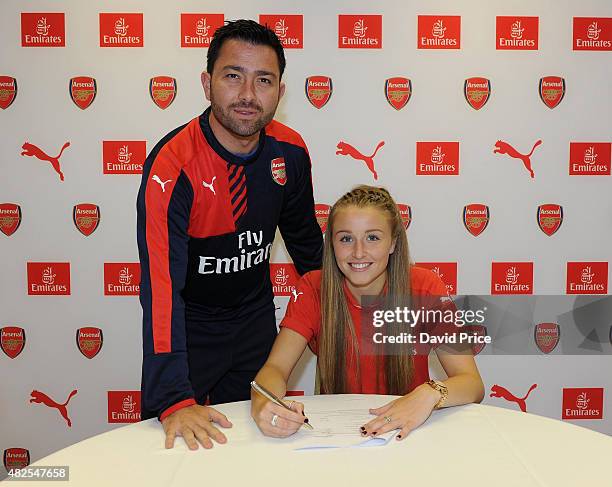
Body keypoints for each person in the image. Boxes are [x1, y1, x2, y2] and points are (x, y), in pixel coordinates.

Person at [136, 20, 323, 450]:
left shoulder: (290, 151)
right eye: (233, 76)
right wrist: (173, 397)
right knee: (175, 448)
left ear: (280, 90)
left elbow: (308, 249)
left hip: (254, 320)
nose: (247, 95)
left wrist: (347, 320)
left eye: (264, 80)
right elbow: (162, 289)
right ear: (207, 83)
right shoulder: (172, 165)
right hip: (190, 324)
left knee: (257, 447)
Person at [251, 185, 484, 439]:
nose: (358, 252)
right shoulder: (313, 287)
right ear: (332, 244)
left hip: (408, 433)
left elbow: (471, 383)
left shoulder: (425, 286)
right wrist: (266, 404)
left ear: (393, 242)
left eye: (373, 237)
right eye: (346, 238)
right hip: (338, 436)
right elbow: (274, 368)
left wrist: (428, 393)